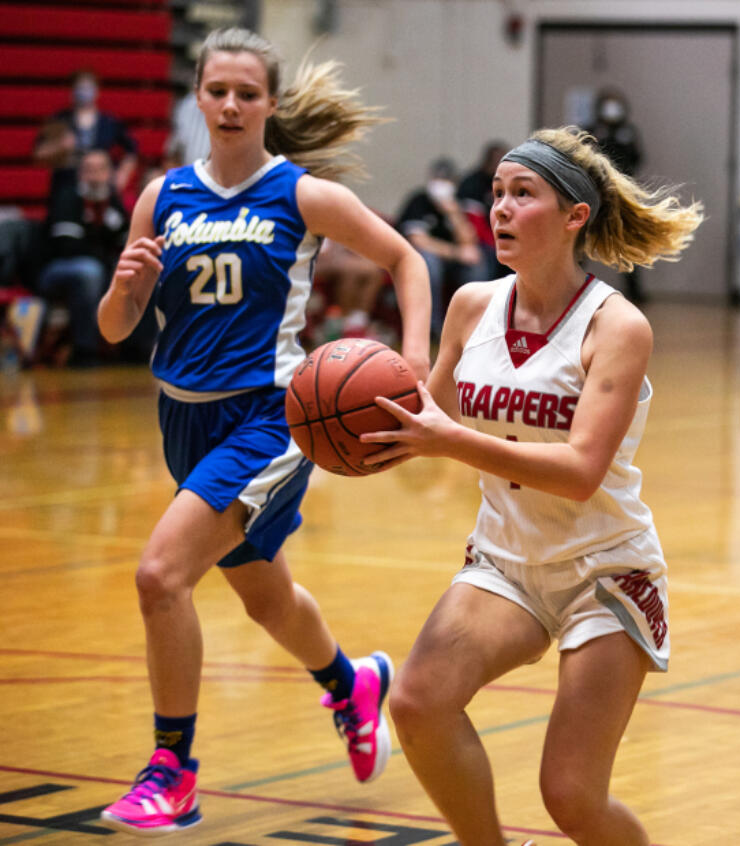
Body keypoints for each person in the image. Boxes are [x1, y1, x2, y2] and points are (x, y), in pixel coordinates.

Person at [94, 27, 431, 836]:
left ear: (270, 104)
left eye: (248, 93)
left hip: (268, 418)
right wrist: (124, 287)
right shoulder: (162, 196)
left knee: (159, 576)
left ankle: (171, 770)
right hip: (182, 420)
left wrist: (416, 363)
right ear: (198, 99)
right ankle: (352, 684)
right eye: (218, 91)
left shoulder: (300, 194)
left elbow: (407, 261)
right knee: (265, 599)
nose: (233, 105)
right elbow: (113, 329)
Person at [360, 126, 703, 846]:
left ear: (576, 216)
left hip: (604, 568)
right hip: (506, 560)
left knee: (571, 798)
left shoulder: (618, 325)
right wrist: (343, 423)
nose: (502, 210)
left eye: (524, 194)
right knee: (419, 701)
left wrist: (445, 438)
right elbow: (430, 415)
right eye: (496, 195)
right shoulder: (472, 305)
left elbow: (581, 473)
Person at [37, 147, 127, 366]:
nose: (95, 176)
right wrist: (104, 247)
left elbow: (125, 242)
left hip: (96, 266)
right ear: (81, 174)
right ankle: (85, 350)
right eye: (89, 170)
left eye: (100, 170)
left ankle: (134, 348)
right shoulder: (68, 197)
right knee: (90, 271)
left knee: (135, 268)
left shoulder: (112, 202)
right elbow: (68, 247)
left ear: (109, 173)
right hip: (52, 270)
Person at [397, 157, 486, 339]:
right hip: (426, 259)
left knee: (476, 264)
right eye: (437, 179)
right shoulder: (419, 201)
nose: (441, 185)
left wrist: (453, 213)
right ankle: (431, 329)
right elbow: (417, 240)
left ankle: (474, 325)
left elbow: (469, 241)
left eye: (446, 180)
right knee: (428, 262)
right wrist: (455, 252)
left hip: (452, 261)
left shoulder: (457, 203)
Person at [584, 88, 647, 303]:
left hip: (622, 193)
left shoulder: (629, 131)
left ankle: (634, 291)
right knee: (583, 239)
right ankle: (574, 286)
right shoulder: (590, 130)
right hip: (594, 191)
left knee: (627, 241)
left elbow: (638, 159)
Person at [34, 69, 140, 197]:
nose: (84, 92)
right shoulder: (60, 120)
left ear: (97, 91)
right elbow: (39, 154)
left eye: (88, 87)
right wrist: (60, 146)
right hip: (67, 184)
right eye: (80, 88)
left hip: (101, 186)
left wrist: (122, 175)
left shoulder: (108, 122)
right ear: (72, 91)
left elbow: (132, 149)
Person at [457, 140, 510, 279]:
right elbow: (474, 225)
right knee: (481, 261)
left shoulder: (510, 181)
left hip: (503, 235)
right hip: (478, 240)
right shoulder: (473, 184)